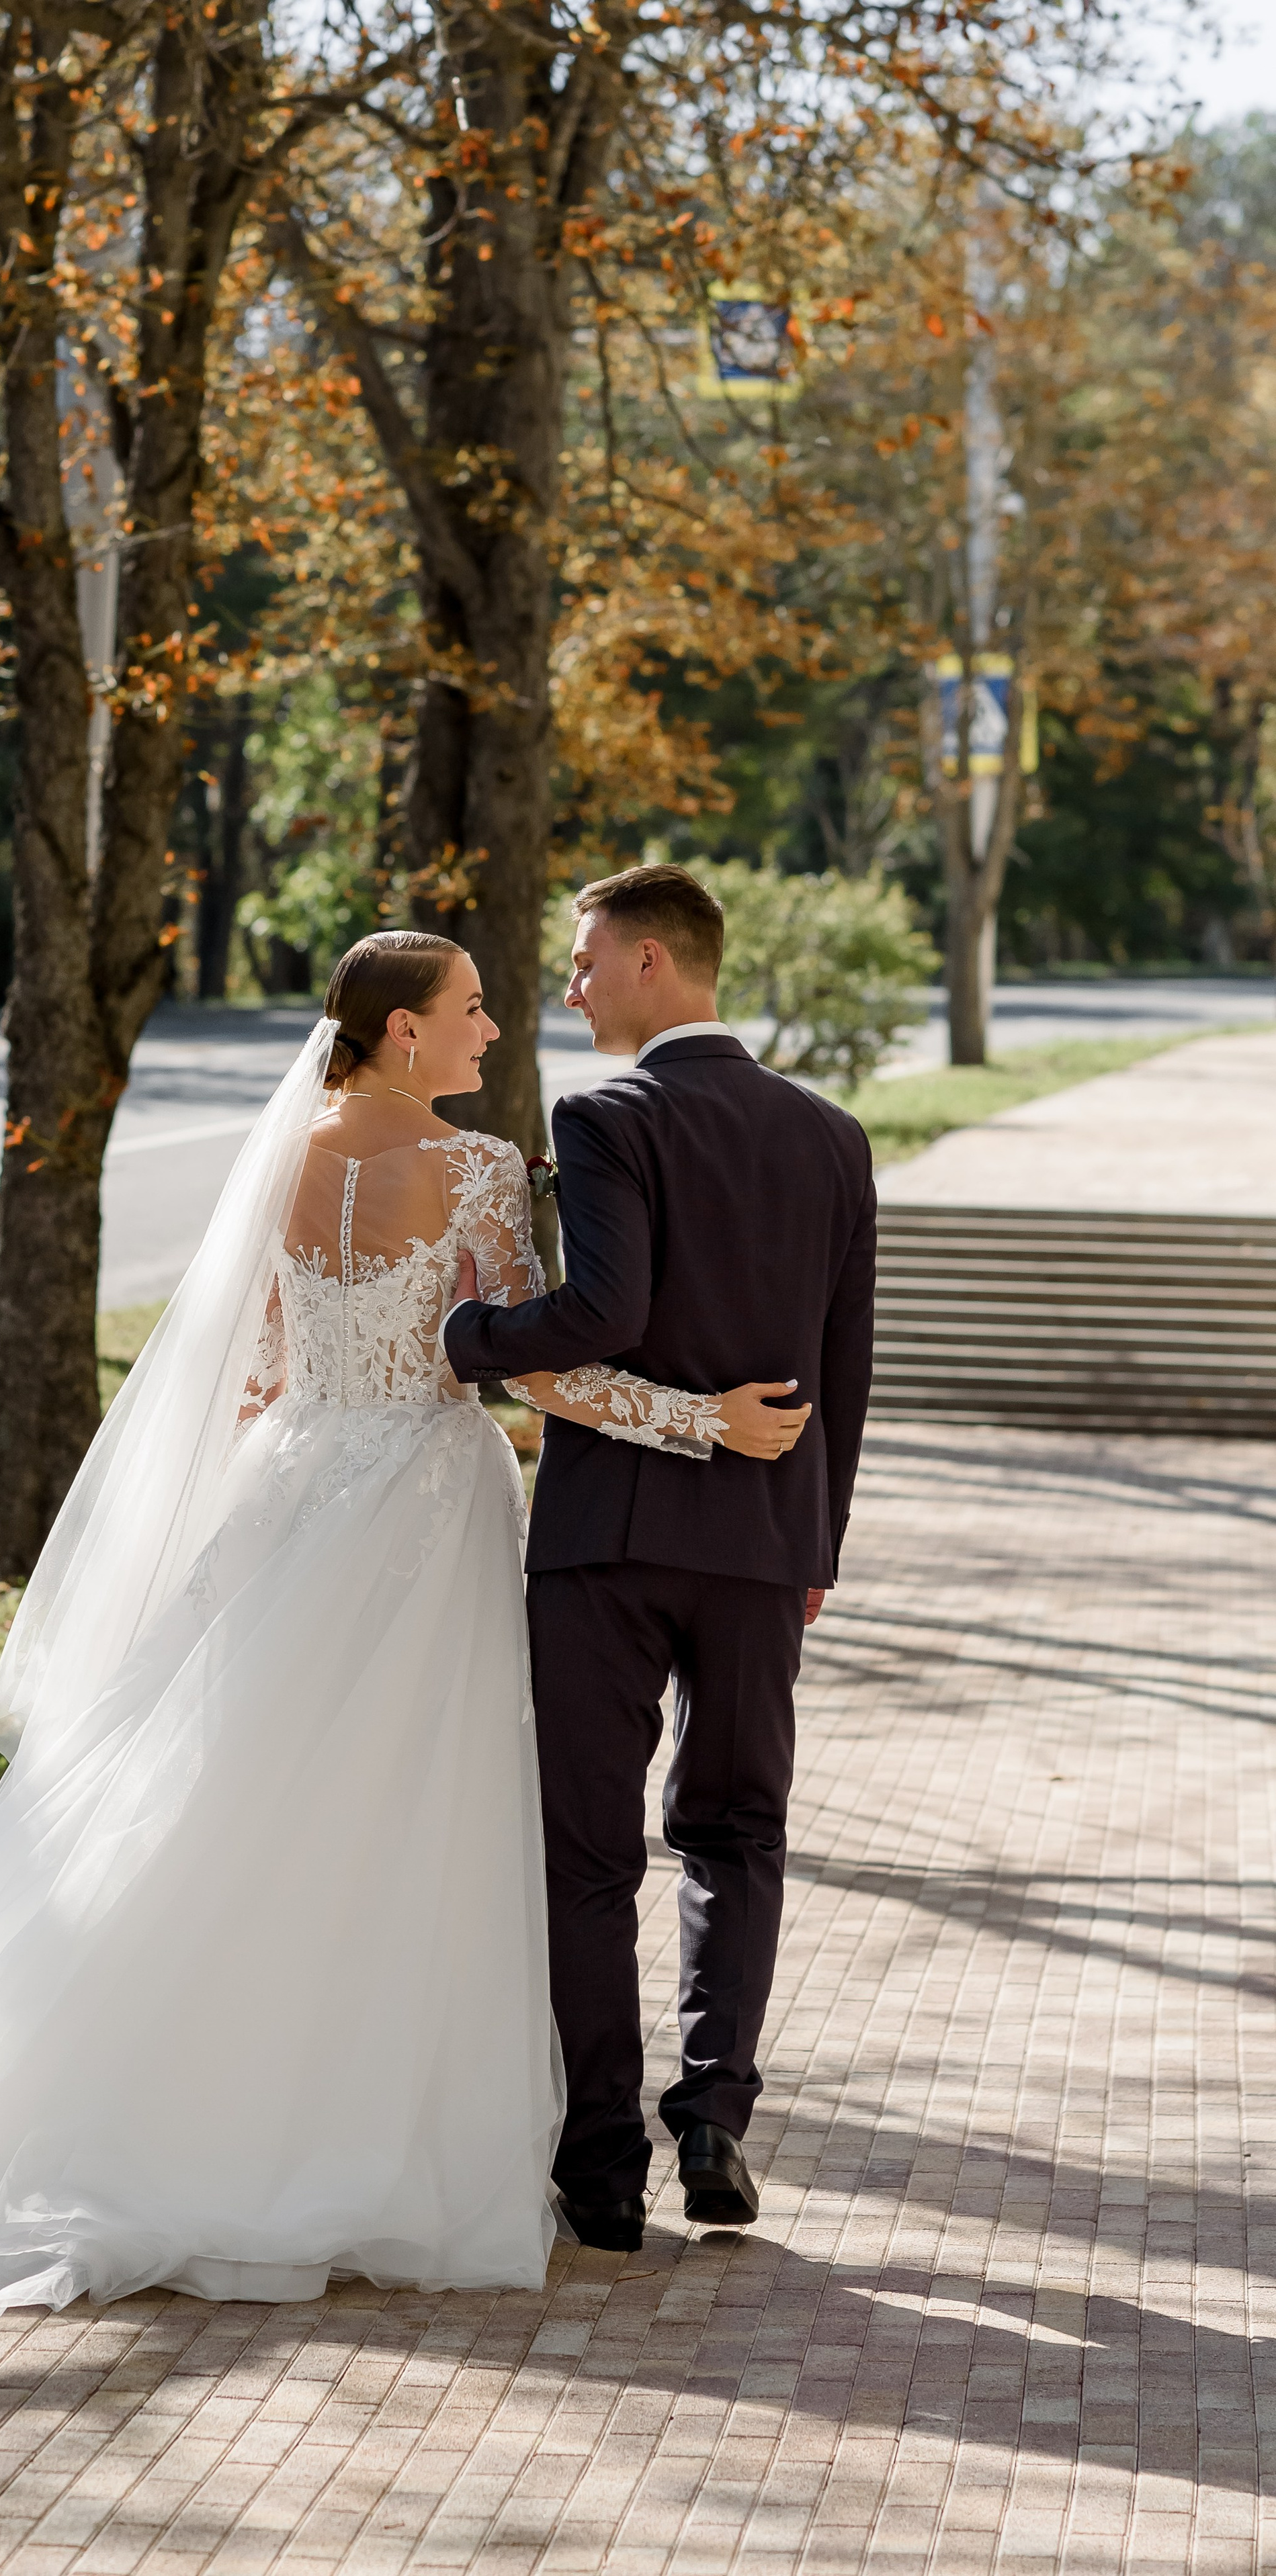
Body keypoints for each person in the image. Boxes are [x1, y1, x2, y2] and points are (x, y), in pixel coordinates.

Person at [0, 932, 804, 2330]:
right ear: (400, 1033)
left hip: (291, 1490)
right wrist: (709, 1423)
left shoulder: (278, 1159)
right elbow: (542, 1371)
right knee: (399, 1815)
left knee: (226, 1797)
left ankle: (169, 2097)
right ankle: (339, 2125)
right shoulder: (476, 1171)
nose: (492, 1028)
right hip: (418, 1506)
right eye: (466, 1009)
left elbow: (258, 1367)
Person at [444, 864, 877, 2256]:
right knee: (736, 1832)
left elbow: (600, 1309)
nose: (566, 989)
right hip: (762, 1547)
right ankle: (713, 2119)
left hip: (607, 1542)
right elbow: (844, 1369)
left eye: (580, 962)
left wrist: (471, 1340)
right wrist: (814, 1542)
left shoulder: (605, 1113)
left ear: (647, 962)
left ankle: (600, 2165)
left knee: (587, 1853)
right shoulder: (831, 1136)